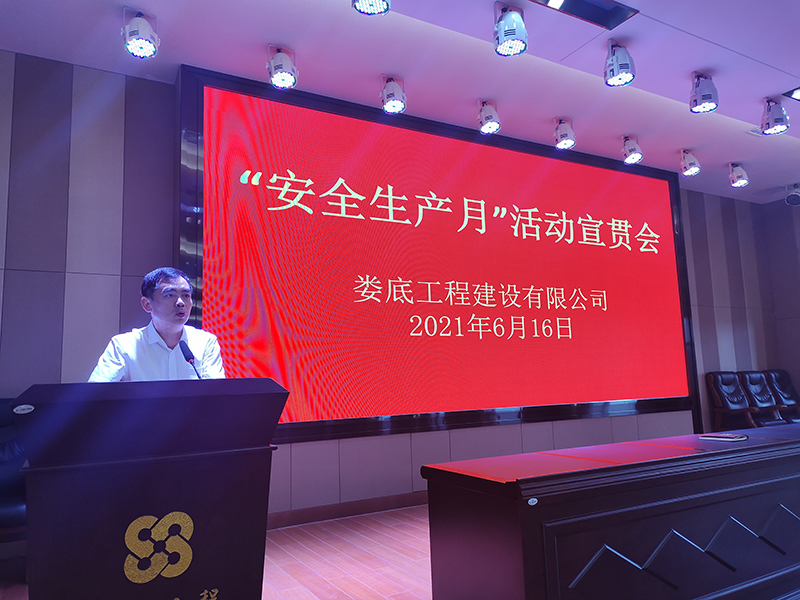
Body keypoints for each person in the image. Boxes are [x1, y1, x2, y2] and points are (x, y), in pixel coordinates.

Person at [89, 267, 226, 382]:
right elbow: (96, 394)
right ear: (147, 304)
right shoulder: (124, 345)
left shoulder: (205, 342)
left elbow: (216, 394)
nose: (180, 302)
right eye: (170, 295)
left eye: (186, 295)